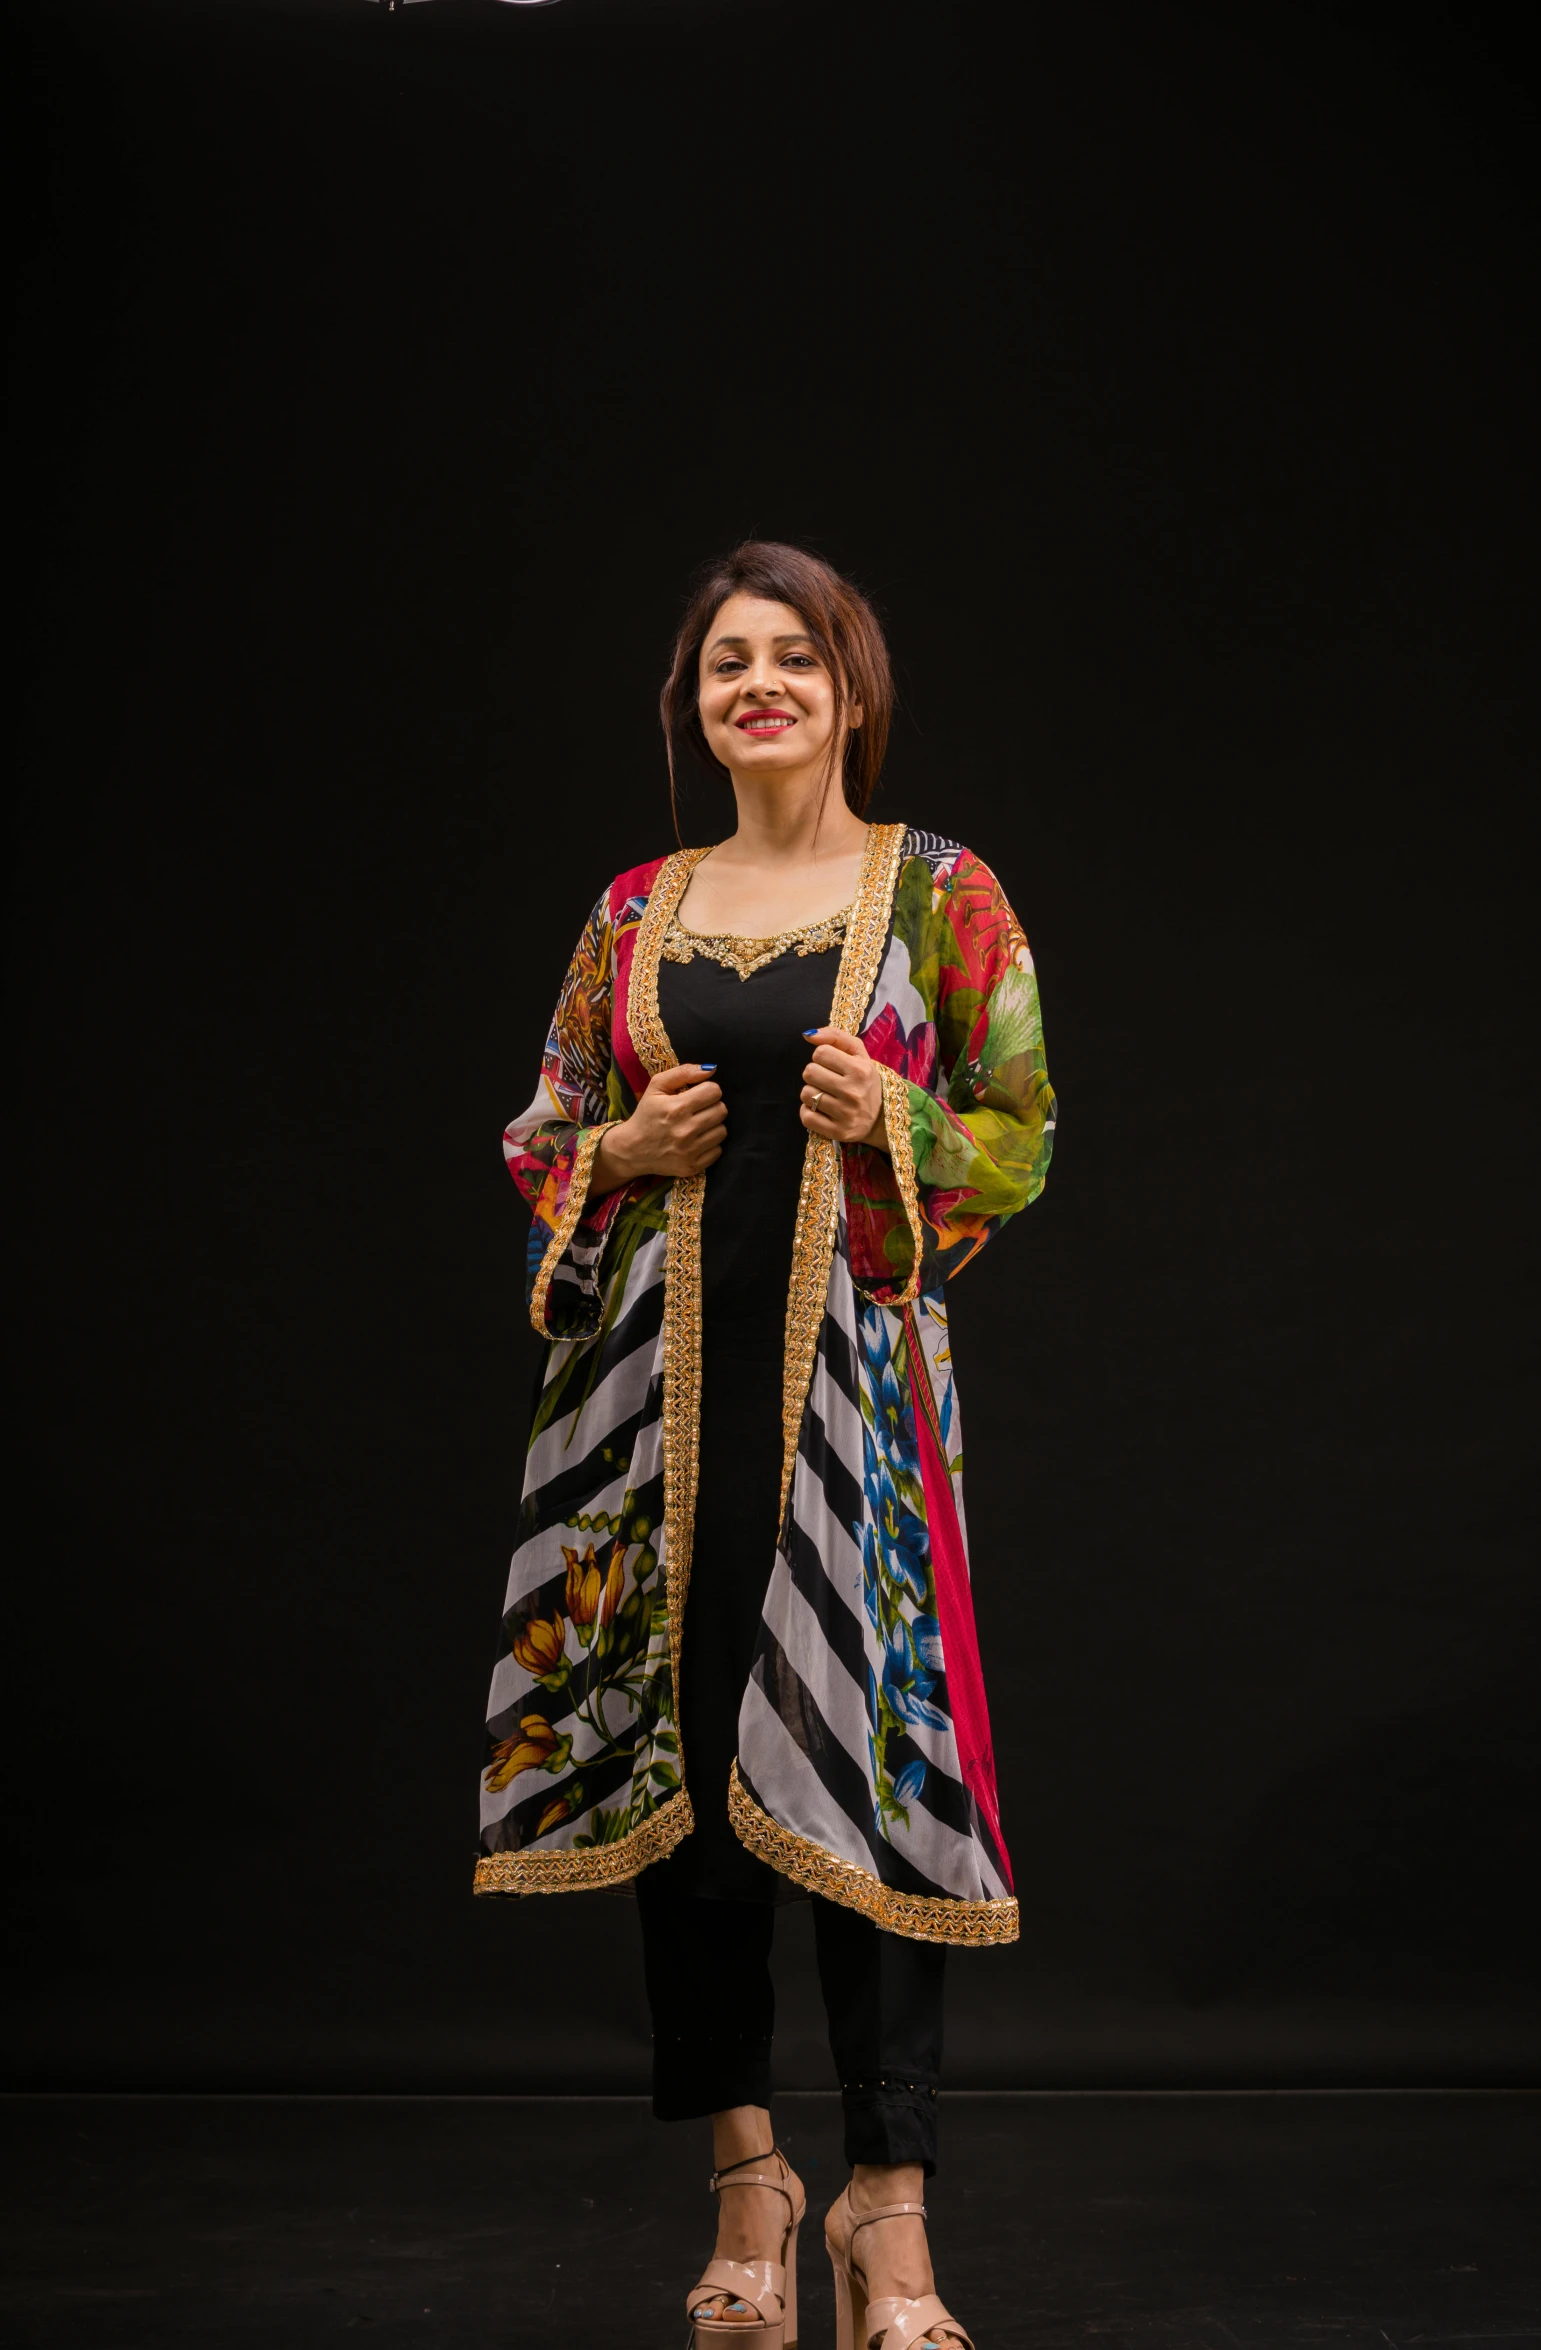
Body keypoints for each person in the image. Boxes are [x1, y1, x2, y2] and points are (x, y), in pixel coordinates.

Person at [474, 541, 1056, 2349]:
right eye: (728, 661)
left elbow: (1021, 1131)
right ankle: (745, 2179)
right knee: (682, 1800)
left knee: (867, 1787)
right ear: (695, 704)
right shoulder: (631, 911)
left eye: (794, 656)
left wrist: (899, 1116)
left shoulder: (939, 892)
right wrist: (618, 1159)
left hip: (857, 1432)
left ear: (851, 691)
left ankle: (891, 2220)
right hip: (653, 1425)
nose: (761, 685)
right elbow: (542, 1125)